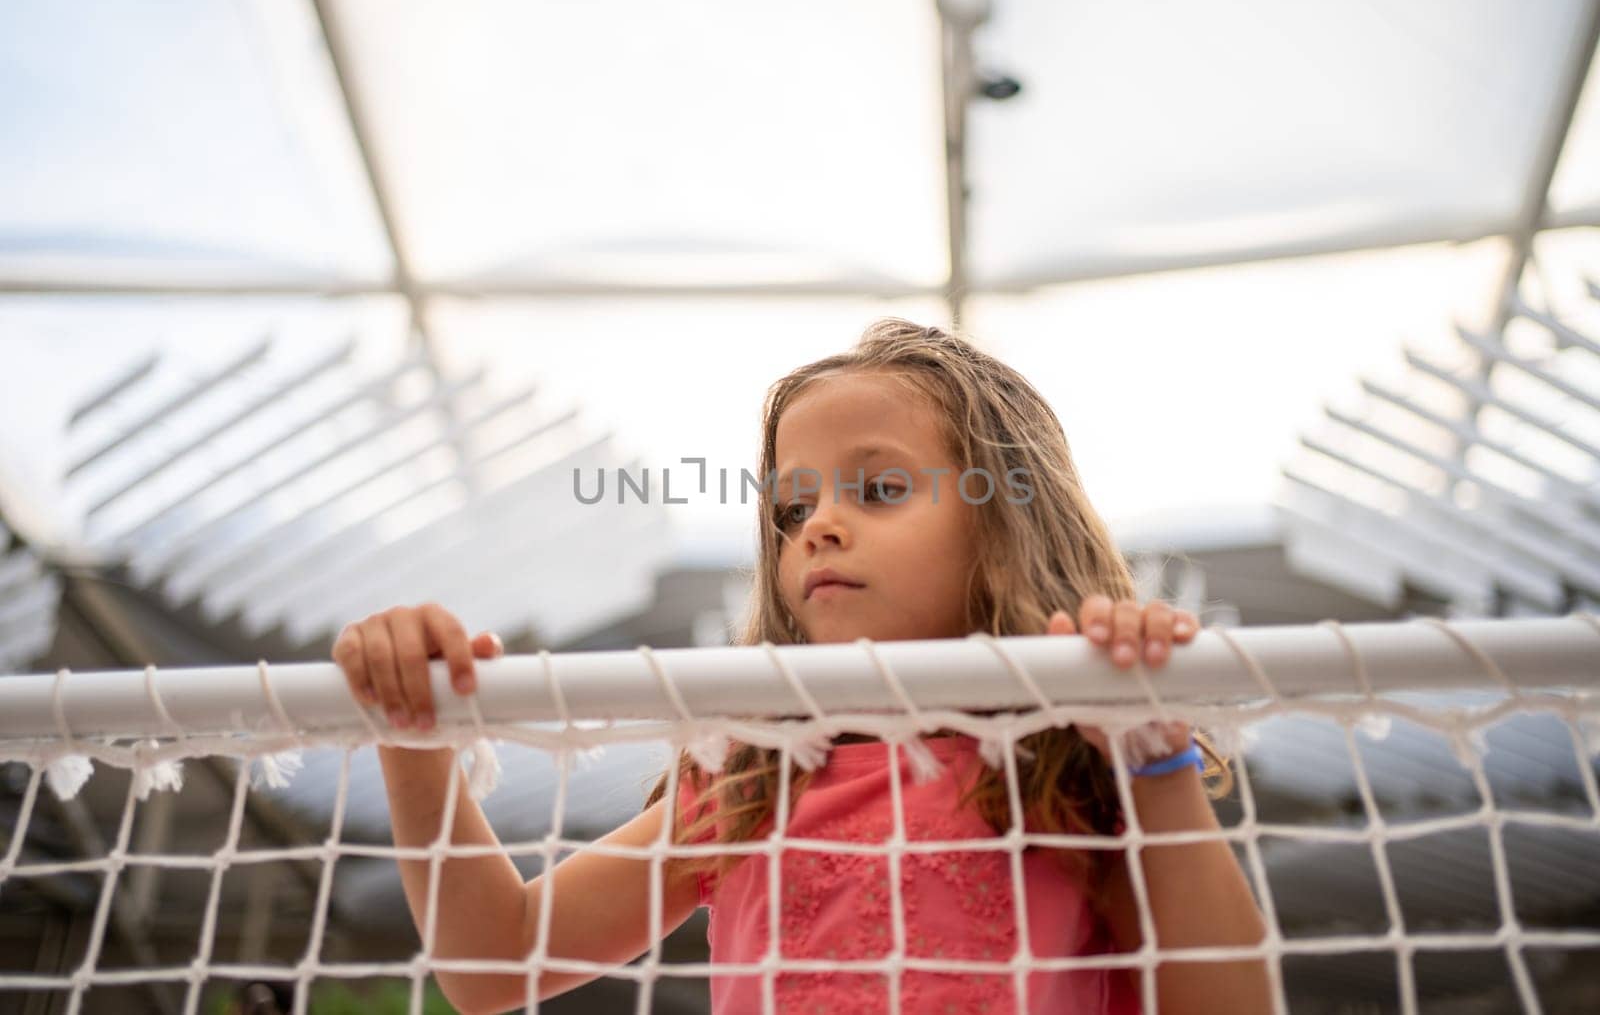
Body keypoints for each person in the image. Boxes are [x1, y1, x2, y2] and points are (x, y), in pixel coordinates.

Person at [331, 319, 1272, 1014]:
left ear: (1003, 531)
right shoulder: (746, 785)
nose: (818, 524)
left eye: (880, 488)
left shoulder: (1072, 765)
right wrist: (412, 733)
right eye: (791, 508)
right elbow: (496, 960)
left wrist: (1156, 768)